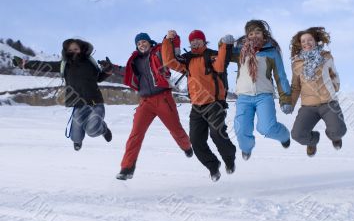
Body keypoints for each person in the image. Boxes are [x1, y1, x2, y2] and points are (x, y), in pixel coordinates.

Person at [161, 29, 236, 182]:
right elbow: (169, 61)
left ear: (203, 40)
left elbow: (220, 66)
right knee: (195, 141)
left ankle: (229, 159)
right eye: (192, 41)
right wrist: (167, 41)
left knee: (217, 134)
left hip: (214, 104)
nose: (195, 42)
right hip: (196, 106)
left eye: (197, 40)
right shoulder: (187, 59)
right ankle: (213, 166)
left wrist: (225, 46)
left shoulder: (210, 54)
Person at [12, 38, 113, 151]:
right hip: (78, 105)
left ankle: (103, 129)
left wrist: (107, 70)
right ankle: (78, 139)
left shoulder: (90, 63)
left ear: (81, 49)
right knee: (76, 137)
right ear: (66, 51)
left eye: (76, 49)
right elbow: (43, 65)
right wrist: (25, 64)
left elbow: (98, 78)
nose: (73, 51)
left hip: (95, 103)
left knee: (92, 130)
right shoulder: (64, 65)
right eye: (70, 50)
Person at [116, 33, 192, 180]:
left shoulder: (159, 52)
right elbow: (126, 72)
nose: (141, 45)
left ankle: (186, 146)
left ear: (149, 42)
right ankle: (127, 168)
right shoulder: (135, 60)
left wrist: (170, 37)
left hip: (163, 97)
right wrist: (111, 68)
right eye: (138, 43)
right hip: (145, 102)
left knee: (175, 129)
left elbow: (172, 51)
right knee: (135, 134)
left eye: (143, 42)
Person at [230, 20, 292, 161]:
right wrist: (223, 43)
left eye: (257, 32)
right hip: (243, 98)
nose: (254, 35)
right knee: (241, 130)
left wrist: (286, 98)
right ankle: (246, 148)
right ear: (247, 36)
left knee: (267, 128)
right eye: (250, 33)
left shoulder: (272, 53)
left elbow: (280, 76)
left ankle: (284, 135)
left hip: (264, 96)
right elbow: (222, 55)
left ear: (264, 34)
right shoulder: (240, 51)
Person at [290, 27, 347, 157]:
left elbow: (334, 74)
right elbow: (295, 87)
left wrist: (335, 86)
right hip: (308, 107)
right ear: (300, 44)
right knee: (297, 135)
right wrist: (290, 104)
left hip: (328, 103)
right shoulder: (296, 63)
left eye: (309, 40)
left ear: (316, 41)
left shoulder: (326, 57)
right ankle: (313, 140)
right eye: (303, 41)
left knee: (338, 131)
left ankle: (335, 136)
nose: (306, 43)